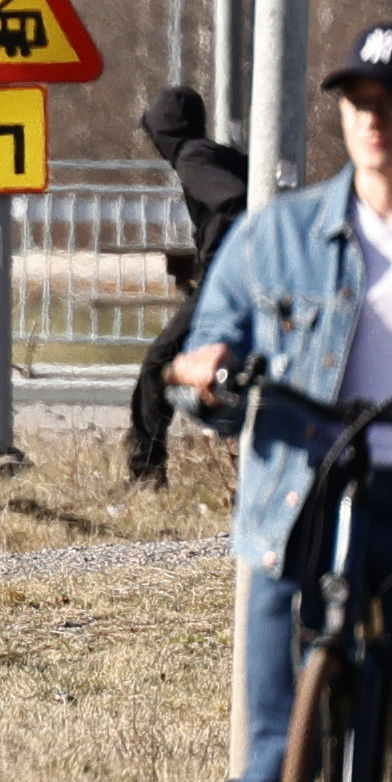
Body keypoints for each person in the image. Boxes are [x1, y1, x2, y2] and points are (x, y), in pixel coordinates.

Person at [170, 27, 392, 782]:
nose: (377, 121)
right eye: (361, 101)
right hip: (300, 501)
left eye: (391, 101)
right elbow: (211, 340)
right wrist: (207, 370)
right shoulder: (281, 237)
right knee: (268, 760)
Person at [129, 82, 255, 488]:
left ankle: (147, 473)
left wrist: (219, 256)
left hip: (228, 280)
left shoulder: (192, 156)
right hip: (244, 275)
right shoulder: (217, 154)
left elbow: (233, 200)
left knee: (158, 363)